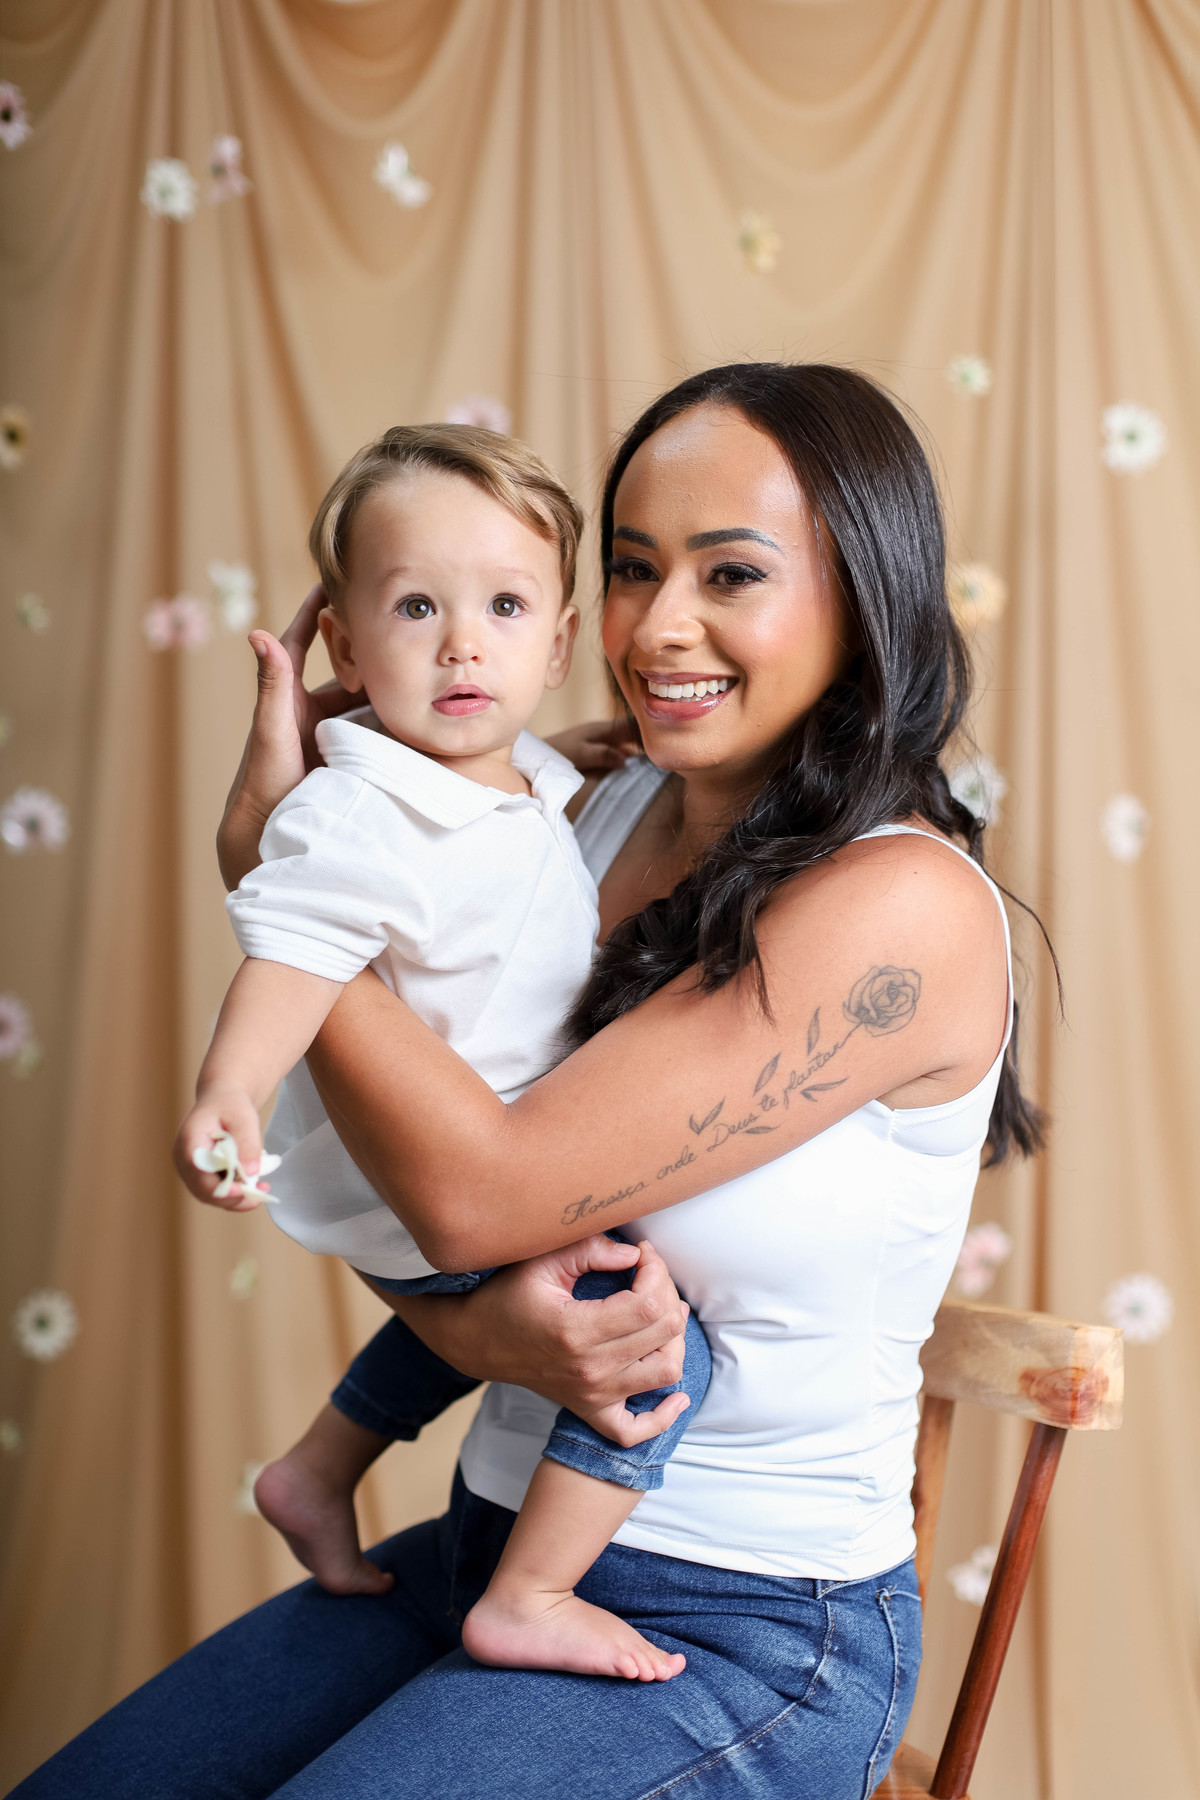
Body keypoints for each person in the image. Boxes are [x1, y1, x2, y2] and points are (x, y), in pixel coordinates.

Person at [18, 361, 1046, 1800]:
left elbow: (474, 1197)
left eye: (731, 573)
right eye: (629, 568)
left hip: (742, 1625)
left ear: (864, 598)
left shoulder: (900, 907)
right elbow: (422, 1202)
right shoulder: (586, 810)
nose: (658, 626)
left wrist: (290, 867)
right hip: (485, 1549)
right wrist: (364, 814)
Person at [174, 422, 711, 1682]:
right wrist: (230, 1088)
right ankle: (531, 1590)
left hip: (462, 1167)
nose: (465, 644)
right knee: (655, 1338)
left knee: (478, 1319)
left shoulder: (499, 773)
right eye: (418, 607)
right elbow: (294, 949)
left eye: (505, 608)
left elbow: (504, 814)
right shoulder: (356, 809)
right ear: (345, 649)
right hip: (442, 1166)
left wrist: (576, 754)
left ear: (558, 644)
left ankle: (319, 1467)